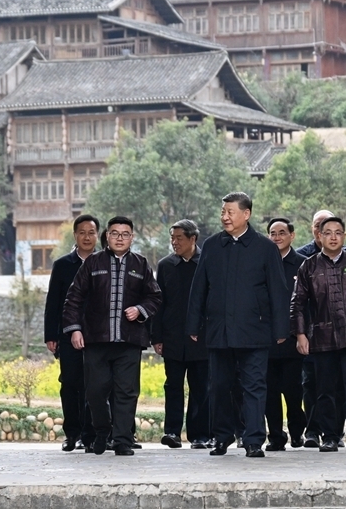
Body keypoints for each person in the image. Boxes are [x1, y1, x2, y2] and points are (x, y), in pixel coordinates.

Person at [186, 192, 290, 457]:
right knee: (219, 386)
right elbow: (199, 288)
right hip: (219, 330)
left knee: (254, 386)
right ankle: (221, 437)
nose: (225, 217)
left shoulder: (265, 248)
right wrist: (193, 324)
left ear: (246, 214)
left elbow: (278, 291)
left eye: (230, 212)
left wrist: (281, 329)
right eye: (223, 212)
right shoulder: (212, 245)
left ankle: (253, 440)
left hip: (254, 330)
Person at [62, 216, 162, 456]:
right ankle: (102, 431)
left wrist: (140, 310)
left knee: (127, 392)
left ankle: (122, 440)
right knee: (95, 391)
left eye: (125, 234)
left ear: (132, 238)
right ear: (107, 236)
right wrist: (75, 329)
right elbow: (73, 298)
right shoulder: (93, 263)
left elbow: (155, 296)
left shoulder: (141, 264)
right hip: (96, 340)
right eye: (115, 233)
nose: (120, 238)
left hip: (129, 340)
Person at [291, 216, 346, 452]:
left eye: (338, 232)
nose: (333, 237)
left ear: (344, 236)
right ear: (319, 236)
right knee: (325, 388)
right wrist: (300, 334)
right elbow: (297, 304)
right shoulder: (309, 266)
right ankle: (330, 436)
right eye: (328, 232)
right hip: (322, 338)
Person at [153, 219, 211, 449]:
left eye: (179, 238)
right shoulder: (166, 265)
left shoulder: (207, 263)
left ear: (193, 238)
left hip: (202, 338)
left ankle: (200, 435)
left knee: (201, 388)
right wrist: (157, 337)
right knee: (173, 386)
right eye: (172, 238)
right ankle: (172, 432)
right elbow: (159, 303)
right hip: (173, 337)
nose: (174, 242)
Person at [44, 214, 100, 452]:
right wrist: (51, 335)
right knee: (69, 384)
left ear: (98, 236)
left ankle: (90, 435)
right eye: (82, 233)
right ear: (75, 235)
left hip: (98, 336)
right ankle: (72, 434)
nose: (87, 237)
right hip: (68, 334)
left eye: (91, 232)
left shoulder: (104, 263)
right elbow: (53, 302)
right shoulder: (62, 265)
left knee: (94, 386)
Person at [264, 218, 306, 450]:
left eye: (282, 232)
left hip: (292, 339)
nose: (277, 237)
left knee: (293, 391)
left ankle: (297, 433)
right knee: (269, 393)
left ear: (292, 235)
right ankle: (276, 437)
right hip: (266, 339)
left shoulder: (302, 264)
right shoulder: (261, 263)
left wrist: (302, 333)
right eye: (273, 233)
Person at [296, 209, 335, 448]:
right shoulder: (301, 257)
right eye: (317, 225)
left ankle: (334, 431)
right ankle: (312, 431)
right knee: (310, 383)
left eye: (326, 225)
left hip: (339, 333)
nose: (321, 230)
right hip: (310, 332)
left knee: (335, 383)